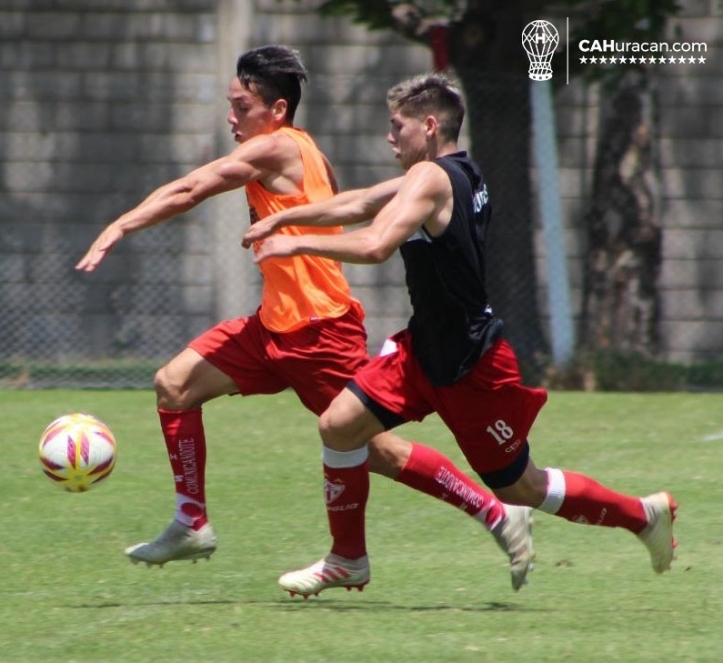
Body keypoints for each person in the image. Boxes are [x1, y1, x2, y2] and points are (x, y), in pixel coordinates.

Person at [77, 46, 534, 592]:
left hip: (319, 331)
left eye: (240, 105)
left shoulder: (277, 148)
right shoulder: (303, 150)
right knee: (174, 384)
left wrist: (120, 227)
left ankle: (497, 512)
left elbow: (192, 187)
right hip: (273, 327)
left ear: (275, 110)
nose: (231, 117)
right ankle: (191, 522)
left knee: (377, 452)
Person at [244, 72, 677, 597]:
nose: (389, 137)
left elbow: (378, 242)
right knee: (338, 426)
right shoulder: (455, 171)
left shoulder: (430, 179)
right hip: (423, 351)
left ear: (428, 126)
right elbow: (356, 204)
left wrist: (296, 244)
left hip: (472, 365)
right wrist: (282, 221)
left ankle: (643, 516)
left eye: (396, 126)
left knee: (522, 485)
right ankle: (347, 559)